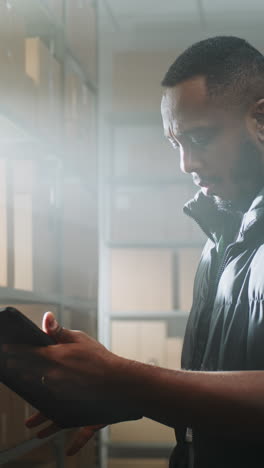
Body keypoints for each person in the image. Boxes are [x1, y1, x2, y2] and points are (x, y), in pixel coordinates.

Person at [5, 36, 264, 467]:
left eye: (199, 138)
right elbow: (223, 402)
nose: (185, 164)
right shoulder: (218, 241)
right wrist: (126, 397)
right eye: (175, 143)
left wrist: (122, 379)